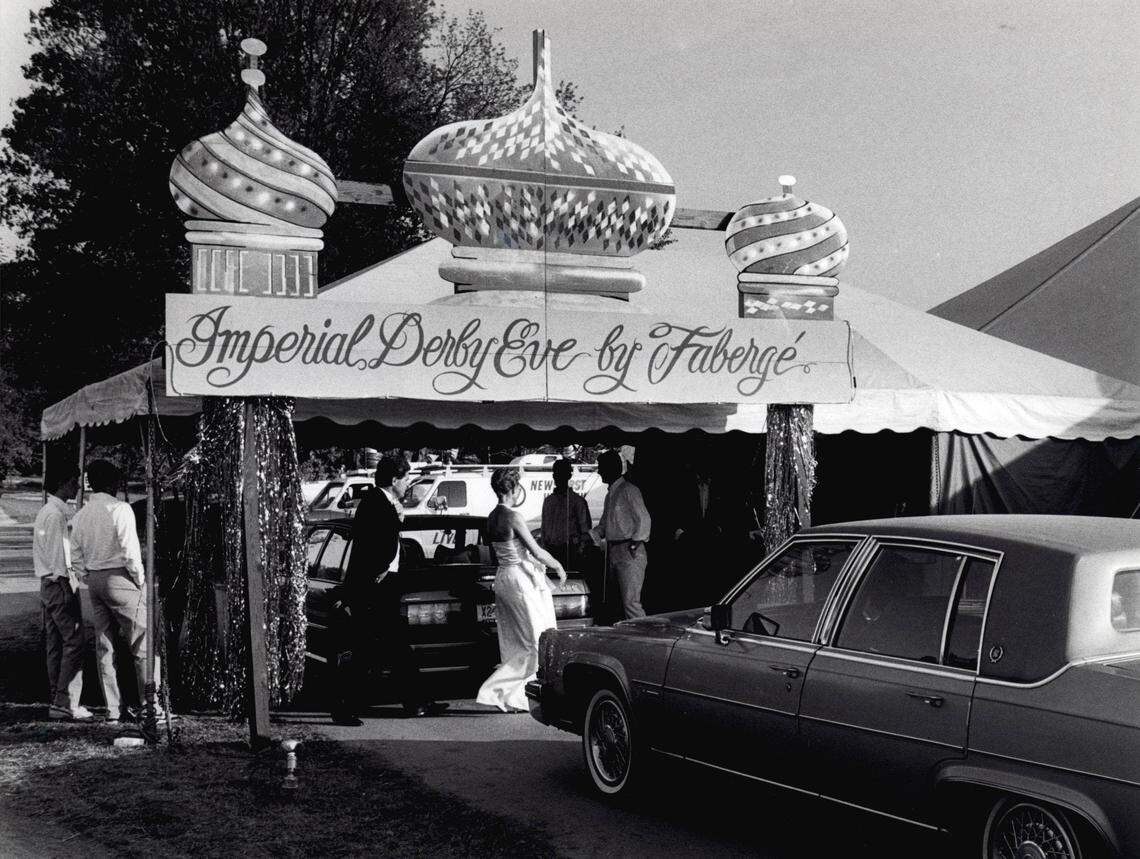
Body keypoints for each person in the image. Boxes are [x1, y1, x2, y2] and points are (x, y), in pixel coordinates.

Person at [332, 454, 448, 724]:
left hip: (385, 584)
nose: (408, 483)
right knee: (366, 649)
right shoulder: (375, 502)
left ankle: (415, 701)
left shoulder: (384, 502)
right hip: (374, 586)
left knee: (396, 648)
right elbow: (370, 542)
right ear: (394, 480)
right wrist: (380, 569)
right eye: (406, 478)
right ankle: (344, 708)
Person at [70, 459, 158, 722]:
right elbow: (130, 551)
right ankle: (150, 706)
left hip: (95, 579)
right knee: (142, 641)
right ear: (112, 483)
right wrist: (139, 579)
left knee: (105, 645)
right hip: (119, 576)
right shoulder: (120, 509)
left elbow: (74, 555)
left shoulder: (81, 513)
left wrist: (87, 575)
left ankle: (113, 708)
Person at [477, 467, 566, 712]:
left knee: (514, 639)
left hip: (503, 576)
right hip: (519, 579)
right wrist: (557, 565)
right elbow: (536, 551)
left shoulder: (492, 517)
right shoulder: (513, 516)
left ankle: (514, 696)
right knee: (536, 638)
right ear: (514, 489)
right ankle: (498, 691)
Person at [34, 466, 92, 721]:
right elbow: (61, 556)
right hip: (58, 581)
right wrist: (70, 583)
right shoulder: (56, 515)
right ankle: (65, 701)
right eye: (73, 481)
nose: (77, 486)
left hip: (47, 582)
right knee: (74, 641)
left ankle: (57, 696)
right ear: (63, 484)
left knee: (56, 642)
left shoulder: (47, 511)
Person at [591, 449, 651, 621]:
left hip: (629, 551)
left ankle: (643, 639)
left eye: (601, 467)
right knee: (617, 602)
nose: (599, 471)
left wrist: (635, 543)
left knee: (631, 603)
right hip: (614, 551)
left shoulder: (629, 490)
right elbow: (604, 525)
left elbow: (644, 519)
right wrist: (589, 536)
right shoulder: (610, 494)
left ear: (612, 468)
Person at [540, 459, 592, 571]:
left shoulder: (578, 501)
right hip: (551, 554)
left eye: (562, 473)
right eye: (557, 473)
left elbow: (586, 532)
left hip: (571, 554)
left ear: (569, 476)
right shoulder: (548, 501)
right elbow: (544, 530)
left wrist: (579, 549)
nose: (558, 477)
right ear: (553, 476)